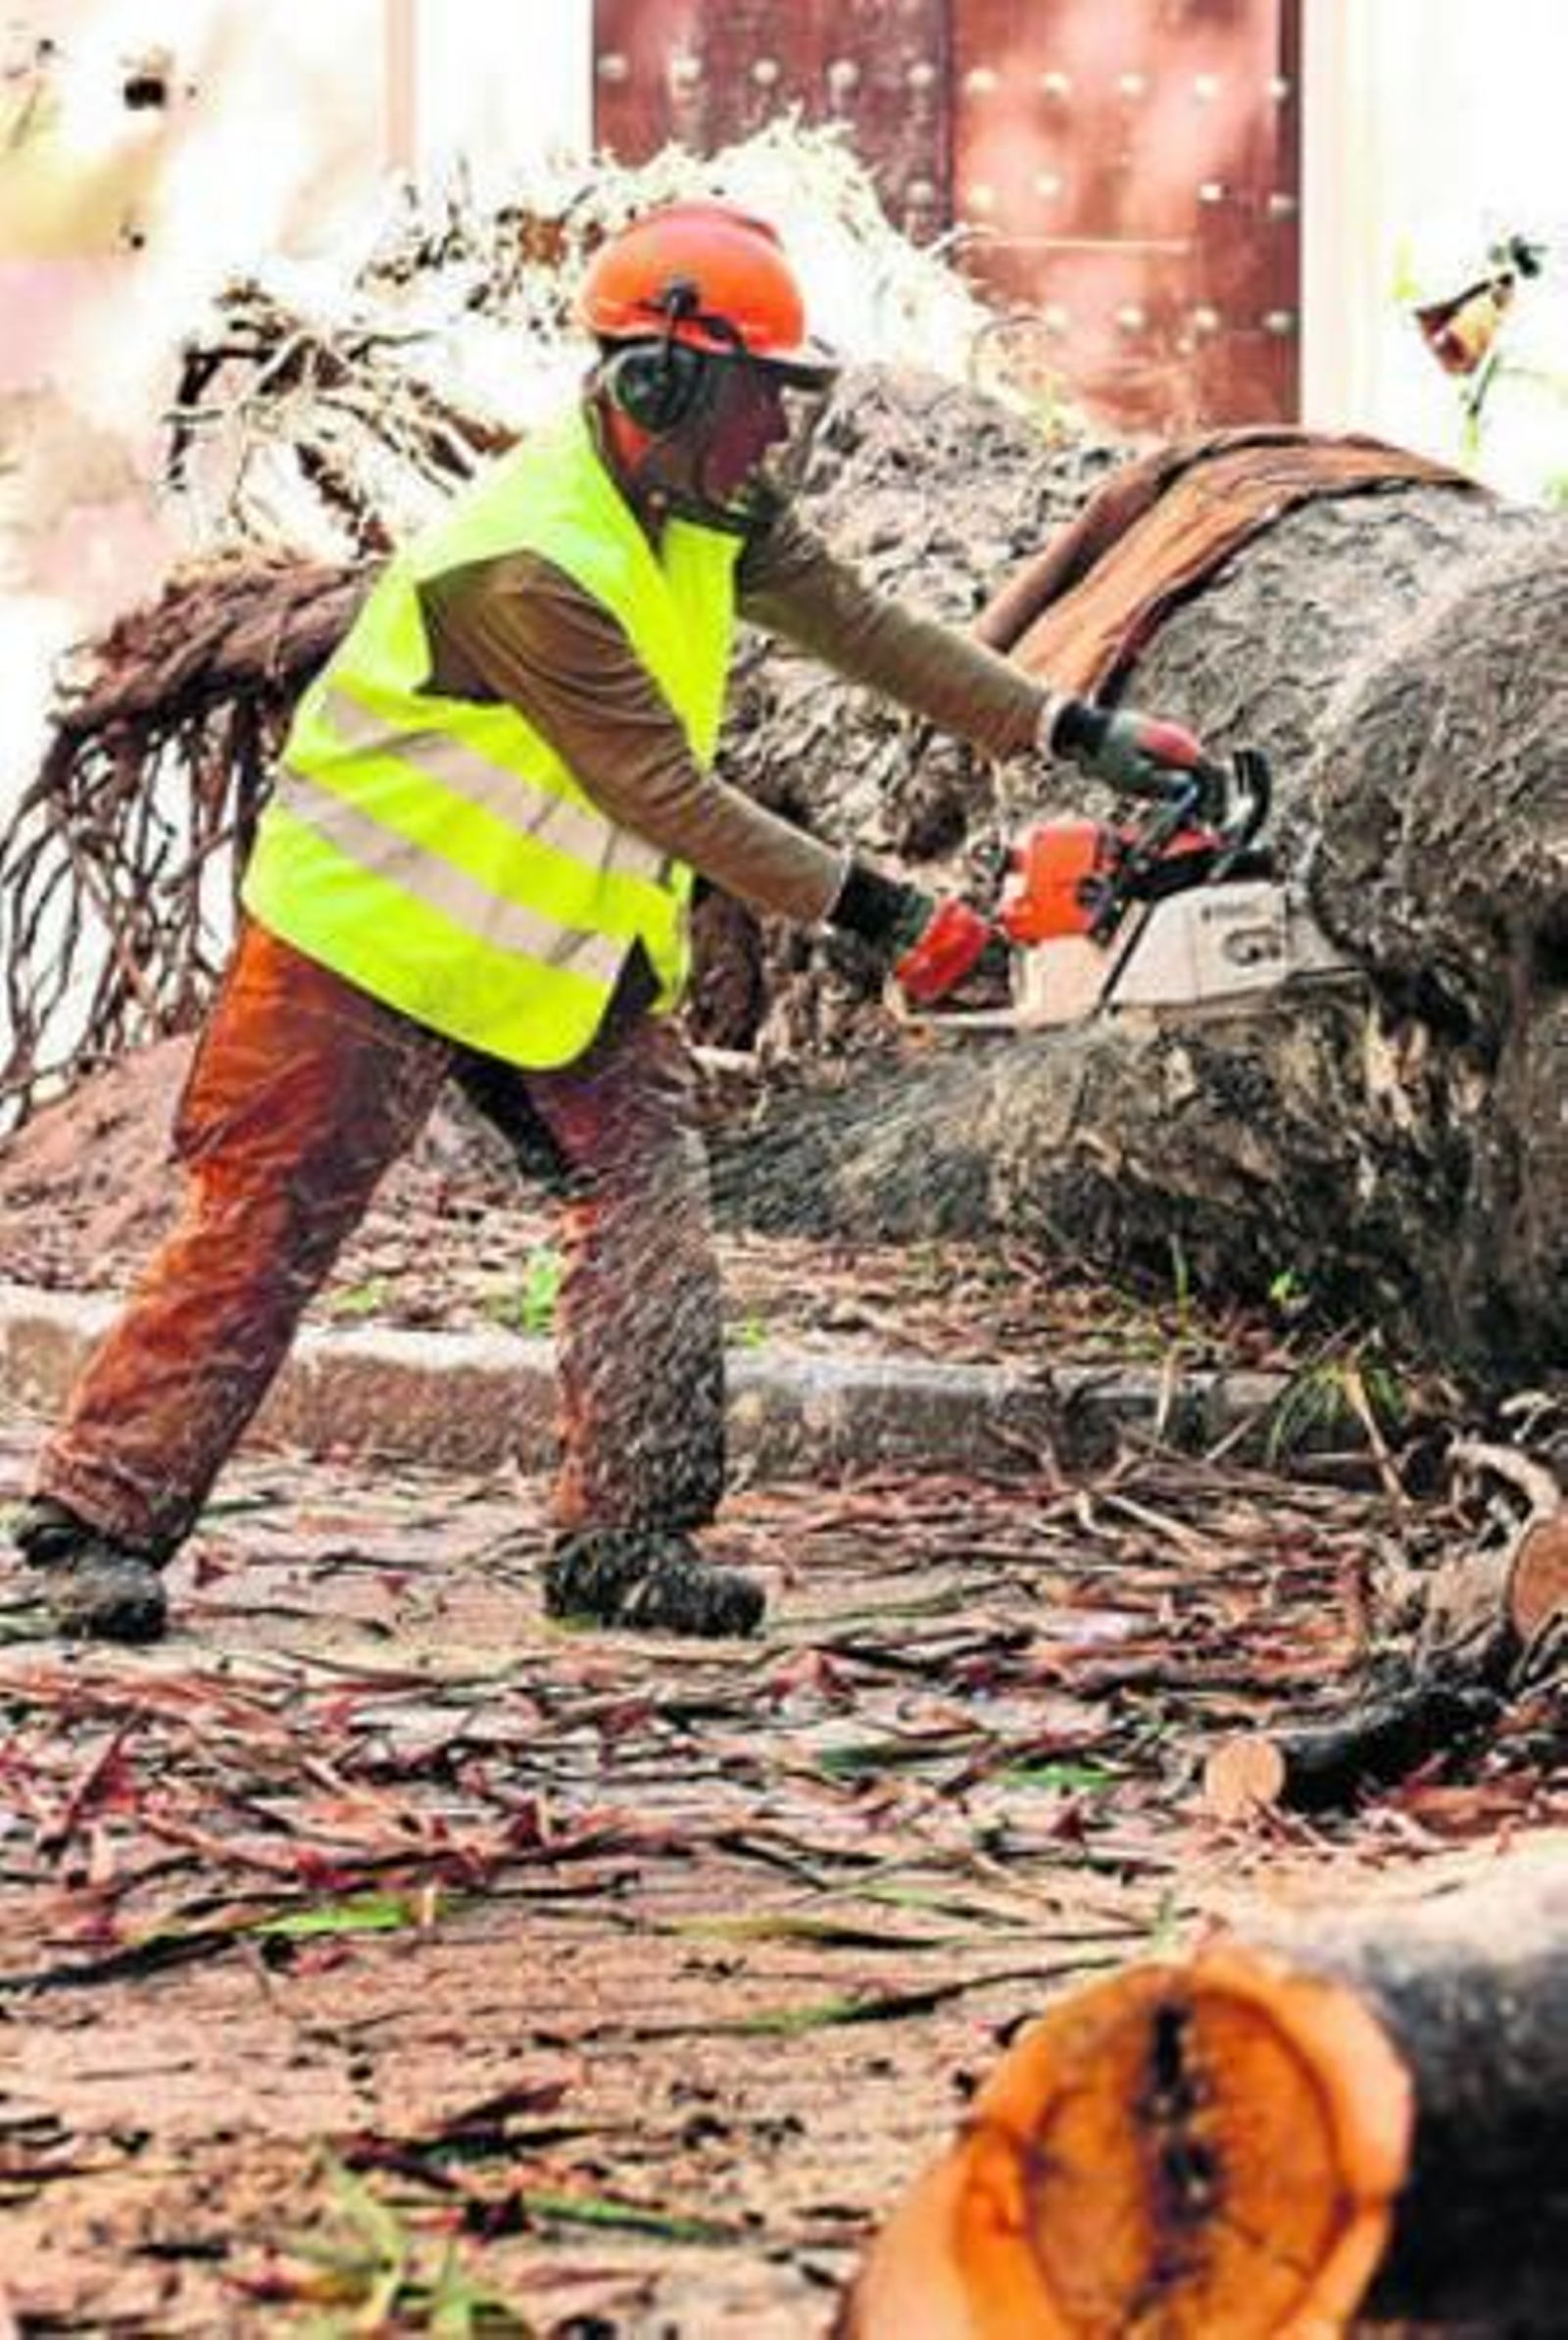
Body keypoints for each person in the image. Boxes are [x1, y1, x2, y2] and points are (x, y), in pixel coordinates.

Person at [10, 200, 1209, 1645]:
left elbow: (867, 626)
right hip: (367, 934)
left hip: (558, 948)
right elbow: (661, 790)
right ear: (665, 383)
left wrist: (1077, 732)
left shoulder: (712, 508)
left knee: (650, 1210)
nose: (780, 430)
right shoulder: (532, 559)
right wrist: (894, 920)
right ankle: (92, 1522)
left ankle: (623, 1542)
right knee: (271, 1218)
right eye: (763, 394)